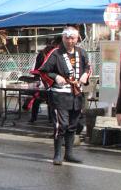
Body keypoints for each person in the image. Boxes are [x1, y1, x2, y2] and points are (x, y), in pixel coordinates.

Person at [39, 26, 91, 165]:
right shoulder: (55, 53)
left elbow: (88, 67)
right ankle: (57, 154)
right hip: (60, 95)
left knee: (73, 125)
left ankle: (69, 153)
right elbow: (43, 71)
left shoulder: (82, 52)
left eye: (72, 38)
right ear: (63, 38)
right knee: (61, 125)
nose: (69, 41)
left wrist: (86, 74)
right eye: (67, 38)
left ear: (77, 38)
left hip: (76, 94)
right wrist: (55, 77)